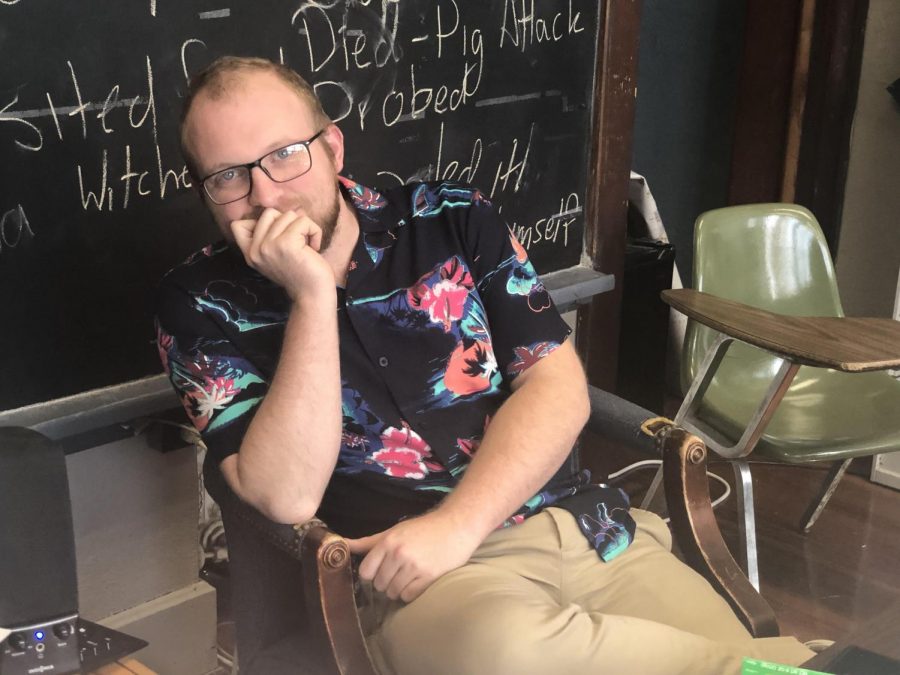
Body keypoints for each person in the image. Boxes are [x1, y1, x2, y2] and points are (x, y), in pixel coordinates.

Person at [156, 56, 815, 674]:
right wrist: (310, 297)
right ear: (206, 193)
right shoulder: (199, 304)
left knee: (732, 645)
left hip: (587, 534)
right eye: (228, 176)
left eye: (285, 156)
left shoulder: (454, 219)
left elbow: (559, 390)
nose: (266, 195)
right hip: (420, 587)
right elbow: (286, 495)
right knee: (509, 654)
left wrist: (457, 525)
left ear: (331, 148)